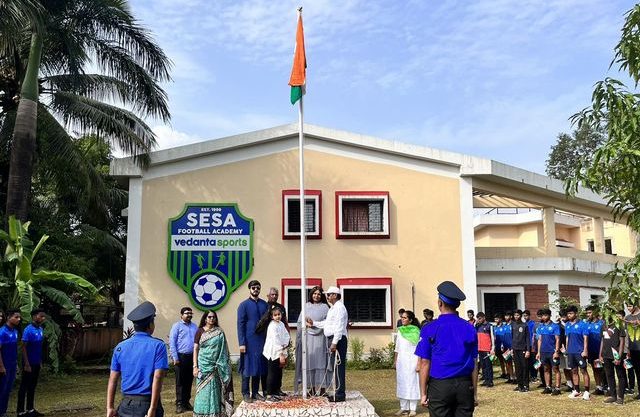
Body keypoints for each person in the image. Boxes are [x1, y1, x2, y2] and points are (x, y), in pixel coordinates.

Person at [416, 281, 478, 417]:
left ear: (440, 303)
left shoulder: (429, 328)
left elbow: (424, 363)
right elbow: (474, 363)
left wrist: (423, 394)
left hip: (440, 386)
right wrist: (474, 393)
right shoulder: (469, 328)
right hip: (464, 385)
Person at [107, 301, 168, 417]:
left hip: (125, 404)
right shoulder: (158, 346)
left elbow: (113, 379)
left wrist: (110, 407)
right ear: (151, 324)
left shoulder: (120, 347)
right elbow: (158, 376)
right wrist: (152, 408)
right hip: (147, 402)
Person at [306, 286, 348, 403]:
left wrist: (334, 343)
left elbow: (339, 327)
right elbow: (327, 323)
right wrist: (313, 323)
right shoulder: (333, 308)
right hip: (334, 338)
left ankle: (340, 395)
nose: (327, 297)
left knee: (339, 367)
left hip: (338, 339)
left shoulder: (339, 308)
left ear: (335, 295)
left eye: (329, 294)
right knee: (336, 367)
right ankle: (337, 392)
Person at [192, 310, 233, 417]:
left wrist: (221, 363)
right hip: (203, 366)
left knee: (214, 391)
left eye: (214, 317)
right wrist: (195, 366)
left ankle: (215, 413)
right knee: (202, 392)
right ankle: (201, 414)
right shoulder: (199, 331)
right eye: (209, 317)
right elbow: (196, 349)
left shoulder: (219, 332)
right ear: (205, 318)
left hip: (215, 367)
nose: (212, 319)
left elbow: (223, 351)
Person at [294, 286, 331, 395]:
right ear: (311, 295)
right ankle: (313, 388)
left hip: (321, 338)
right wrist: (305, 325)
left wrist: (316, 325)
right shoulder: (306, 306)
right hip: (308, 339)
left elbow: (328, 322)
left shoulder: (325, 307)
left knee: (321, 362)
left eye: (319, 294)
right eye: (314, 293)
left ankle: (323, 388)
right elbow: (300, 322)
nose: (316, 296)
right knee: (310, 362)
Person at [237, 280, 269, 402]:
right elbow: (240, 325)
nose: (256, 289)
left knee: (258, 367)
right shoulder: (243, 305)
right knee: (247, 367)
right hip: (248, 341)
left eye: (258, 288)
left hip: (261, 340)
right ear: (249, 289)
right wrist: (241, 343)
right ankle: (245, 393)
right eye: (254, 287)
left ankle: (255, 392)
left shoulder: (264, 304)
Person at [17, 309, 46, 417]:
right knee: (24, 386)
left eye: (44, 316)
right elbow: (23, 347)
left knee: (32, 386)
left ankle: (30, 409)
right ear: (34, 316)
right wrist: (26, 363)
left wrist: (40, 361)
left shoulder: (40, 329)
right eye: (41, 316)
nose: (43, 318)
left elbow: (39, 347)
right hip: (28, 362)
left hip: (36, 362)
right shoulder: (28, 330)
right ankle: (20, 411)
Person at [169, 307, 198, 413]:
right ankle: (179, 404)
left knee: (189, 381)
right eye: (187, 313)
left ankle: (186, 402)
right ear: (181, 315)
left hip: (192, 357)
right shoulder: (177, 326)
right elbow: (172, 342)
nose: (189, 315)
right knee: (180, 382)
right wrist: (175, 357)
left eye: (191, 313)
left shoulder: (195, 327)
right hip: (180, 358)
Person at [394, 310, 421, 416]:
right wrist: (395, 360)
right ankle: (403, 407)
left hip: (412, 361)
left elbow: (420, 349)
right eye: (402, 317)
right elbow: (397, 347)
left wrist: (419, 363)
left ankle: (413, 408)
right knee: (402, 383)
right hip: (402, 361)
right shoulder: (400, 331)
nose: (402, 319)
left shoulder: (416, 331)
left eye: (405, 318)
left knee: (412, 383)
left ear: (410, 320)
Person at [263, 307, 290, 402]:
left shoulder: (281, 324)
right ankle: (269, 395)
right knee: (272, 373)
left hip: (281, 349)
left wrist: (285, 344)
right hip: (273, 352)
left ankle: (276, 390)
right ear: (271, 316)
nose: (277, 316)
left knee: (279, 372)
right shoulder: (272, 326)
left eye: (279, 314)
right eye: (275, 315)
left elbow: (286, 335)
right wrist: (281, 353)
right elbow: (276, 340)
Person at [600, 310, 626, 405]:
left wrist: (619, 356)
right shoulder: (603, 326)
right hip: (606, 355)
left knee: (620, 375)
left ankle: (621, 397)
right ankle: (613, 396)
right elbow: (602, 341)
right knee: (609, 375)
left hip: (616, 355)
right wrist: (600, 354)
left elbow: (622, 341)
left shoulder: (618, 325)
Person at [565, 305, 590, 400]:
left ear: (576, 314)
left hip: (580, 352)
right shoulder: (567, 325)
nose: (569, 315)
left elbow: (585, 338)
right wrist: (567, 349)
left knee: (583, 370)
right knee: (574, 371)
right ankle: (577, 390)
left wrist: (585, 350)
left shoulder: (583, 324)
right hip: (571, 352)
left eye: (571, 313)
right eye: (568, 314)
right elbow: (567, 338)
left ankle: (587, 391)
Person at [535, 308, 561, 395]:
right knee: (546, 369)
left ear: (549, 316)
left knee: (555, 369)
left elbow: (557, 339)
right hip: (543, 352)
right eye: (542, 315)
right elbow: (539, 340)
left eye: (545, 315)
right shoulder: (540, 327)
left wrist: (556, 351)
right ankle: (548, 387)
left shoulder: (555, 326)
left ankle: (557, 388)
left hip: (552, 352)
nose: (544, 317)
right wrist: (538, 352)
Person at [0, 309, 21, 417]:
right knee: (2, 389)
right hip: (4, 366)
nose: (19, 319)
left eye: (19, 317)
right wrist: (1, 366)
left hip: (12, 365)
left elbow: (14, 350)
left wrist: (16, 364)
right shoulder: (2, 332)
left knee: (8, 389)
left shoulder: (15, 332)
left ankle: (3, 411)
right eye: (16, 317)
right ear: (8, 317)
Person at [585, 305, 606, 395]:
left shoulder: (602, 323)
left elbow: (605, 338)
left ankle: (607, 387)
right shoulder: (586, 324)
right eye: (587, 313)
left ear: (595, 313)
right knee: (595, 369)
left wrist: (602, 352)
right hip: (591, 351)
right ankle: (599, 387)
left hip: (601, 351)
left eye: (590, 312)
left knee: (603, 370)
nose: (588, 315)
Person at [510, 309, 530, 392]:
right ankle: (519, 385)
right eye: (515, 315)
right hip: (515, 349)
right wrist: (512, 348)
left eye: (517, 315)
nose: (516, 317)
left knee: (524, 367)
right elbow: (512, 337)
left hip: (523, 349)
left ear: (520, 316)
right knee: (517, 368)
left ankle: (526, 385)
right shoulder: (513, 325)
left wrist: (528, 350)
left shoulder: (525, 325)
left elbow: (527, 338)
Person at [624, 303, 640, 399]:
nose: (629, 308)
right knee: (637, 370)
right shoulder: (627, 317)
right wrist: (627, 348)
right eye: (627, 306)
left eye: (630, 306)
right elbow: (626, 335)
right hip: (633, 348)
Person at [475, 312, 494, 388]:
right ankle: (486, 380)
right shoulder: (478, 326)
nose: (478, 320)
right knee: (483, 365)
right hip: (480, 348)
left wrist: (492, 348)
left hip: (487, 349)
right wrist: (475, 324)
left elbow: (492, 337)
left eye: (479, 318)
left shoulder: (489, 326)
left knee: (488, 365)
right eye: (477, 318)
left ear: (484, 317)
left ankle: (490, 381)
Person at [502, 311, 516, 384]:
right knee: (508, 362)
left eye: (507, 316)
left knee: (515, 363)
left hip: (513, 347)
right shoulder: (505, 325)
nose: (506, 317)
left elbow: (515, 337)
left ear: (511, 316)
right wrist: (502, 345)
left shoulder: (514, 324)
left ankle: (516, 377)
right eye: (505, 316)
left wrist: (513, 347)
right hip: (505, 347)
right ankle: (511, 377)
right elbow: (503, 336)